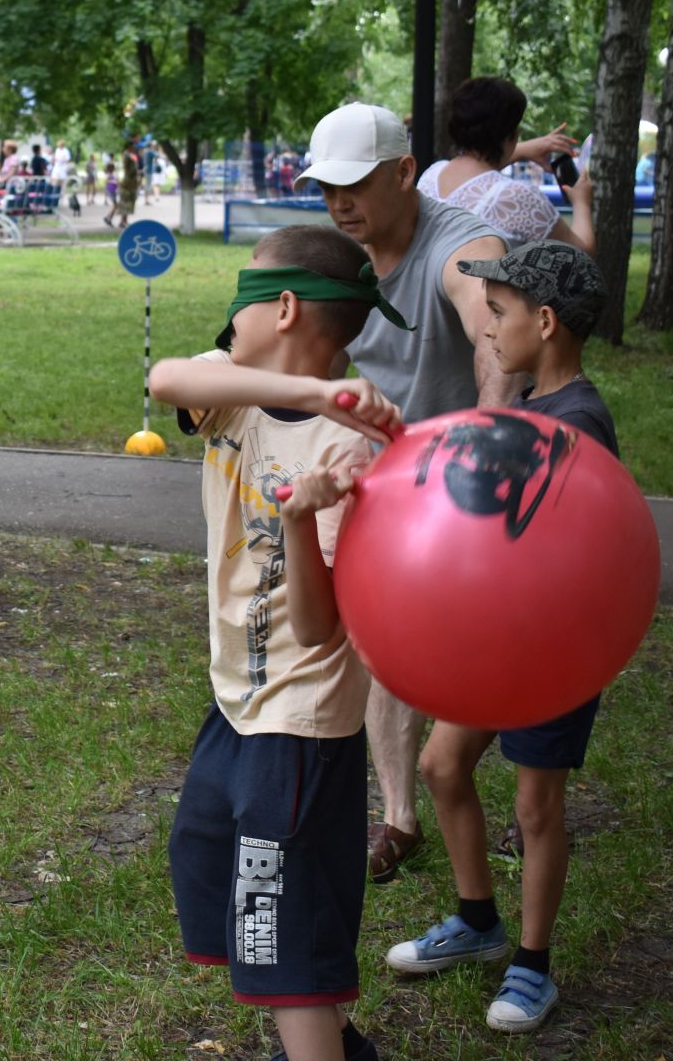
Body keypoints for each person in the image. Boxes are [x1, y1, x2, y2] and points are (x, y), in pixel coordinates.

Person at [149, 224, 413, 1061]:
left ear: (284, 307)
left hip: (295, 723)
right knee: (211, 862)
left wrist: (302, 513)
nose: (227, 323)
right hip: (238, 701)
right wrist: (315, 392)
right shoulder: (231, 389)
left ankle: (316, 1042)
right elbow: (163, 378)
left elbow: (319, 624)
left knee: (278, 936)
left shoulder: (346, 446)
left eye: (242, 302)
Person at [383, 240, 615, 1035]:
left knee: (537, 805)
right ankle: (477, 921)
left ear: (545, 323)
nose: (487, 323)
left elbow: (564, 547)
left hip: (556, 650)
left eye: (502, 309)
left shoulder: (576, 423)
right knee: (442, 765)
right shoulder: (532, 412)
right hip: (502, 644)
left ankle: (532, 966)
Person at [296, 101, 518, 883]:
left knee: (486, 647)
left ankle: (524, 795)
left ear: (402, 174)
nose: (338, 203)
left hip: (465, 482)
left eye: (354, 185)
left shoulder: (457, 243)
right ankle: (398, 817)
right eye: (326, 188)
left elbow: (490, 318)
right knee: (379, 641)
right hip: (381, 478)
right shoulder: (335, 254)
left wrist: (493, 432)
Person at [419, 77, 593, 251]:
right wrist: (581, 202)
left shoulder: (431, 176)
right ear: (511, 134)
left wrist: (522, 150)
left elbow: (477, 176)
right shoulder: (517, 197)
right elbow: (582, 254)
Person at [105, 136, 140, 229]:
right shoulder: (126, 155)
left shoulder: (130, 155)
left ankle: (122, 220)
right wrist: (135, 172)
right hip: (127, 183)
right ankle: (121, 221)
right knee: (125, 203)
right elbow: (128, 170)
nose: (134, 147)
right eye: (133, 145)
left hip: (131, 183)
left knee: (127, 203)